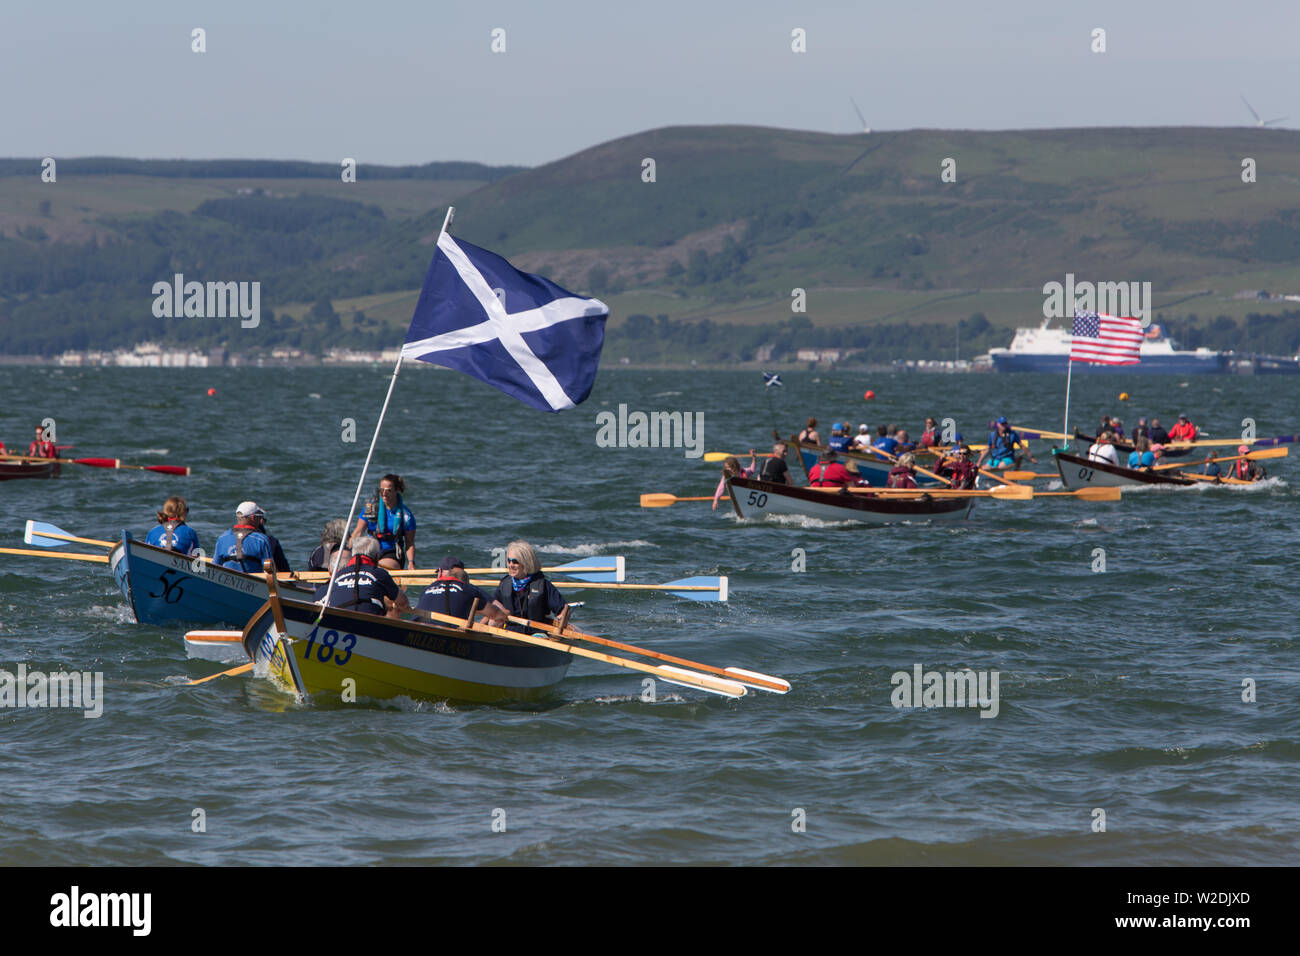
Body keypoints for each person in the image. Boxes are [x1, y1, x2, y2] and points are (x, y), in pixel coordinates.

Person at [313, 535, 409, 617]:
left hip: (338, 620)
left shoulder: (338, 574)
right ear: (376, 557)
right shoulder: (380, 573)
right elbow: (403, 602)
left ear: (353, 555)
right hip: (369, 622)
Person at [495, 540, 566, 630]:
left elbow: (563, 609)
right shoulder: (504, 584)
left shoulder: (543, 585)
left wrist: (562, 618)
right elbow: (492, 608)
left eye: (515, 562)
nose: (511, 565)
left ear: (526, 563)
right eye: (509, 561)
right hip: (510, 633)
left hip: (535, 634)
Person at [354, 473, 416, 570]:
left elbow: (410, 542)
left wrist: (411, 563)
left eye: (388, 491)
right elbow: (357, 533)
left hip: (391, 552)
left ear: (396, 490)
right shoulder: (370, 509)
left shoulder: (406, 515)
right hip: (370, 550)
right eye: (381, 490)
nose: (384, 494)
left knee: (380, 570)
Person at [415, 556, 504, 623]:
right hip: (447, 632)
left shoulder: (426, 589)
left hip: (415, 627)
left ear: (441, 572)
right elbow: (500, 613)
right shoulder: (469, 589)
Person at [213, 501, 290, 573]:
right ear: (253, 517)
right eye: (259, 517)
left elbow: (215, 567)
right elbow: (270, 570)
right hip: (255, 583)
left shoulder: (222, 538)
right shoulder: (261, 540)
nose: (261, 520)